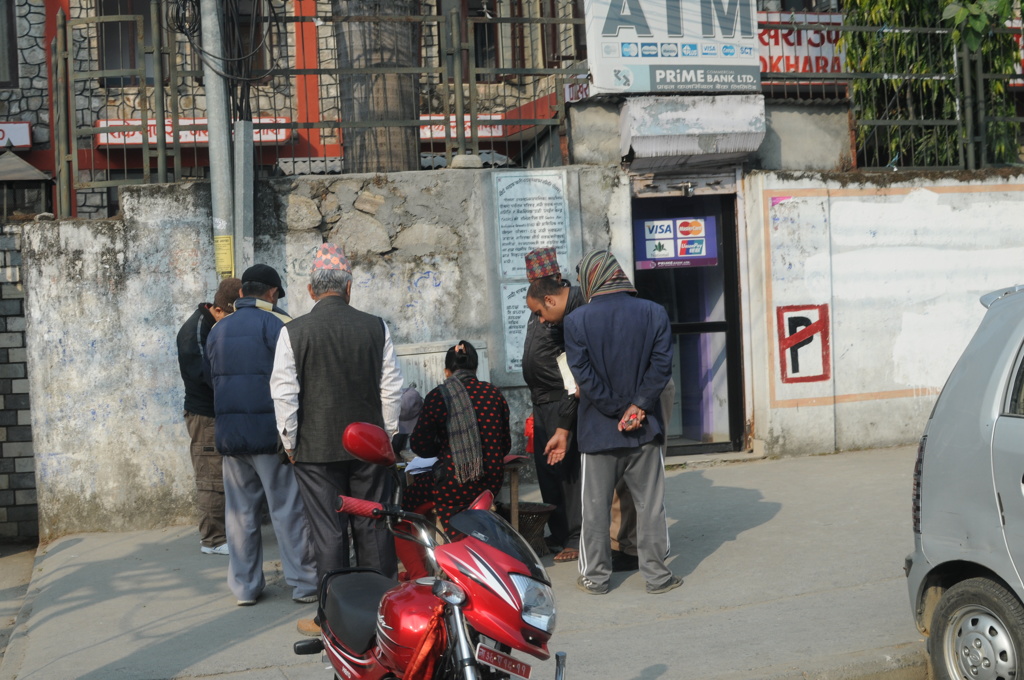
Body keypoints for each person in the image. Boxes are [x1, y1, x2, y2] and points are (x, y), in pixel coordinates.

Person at [270, 243, 403, 637]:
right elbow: (391, 389)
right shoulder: (375, 326)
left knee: (327, 531)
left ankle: (332, 617)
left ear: (312, 291)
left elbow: (284, 393)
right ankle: (385, 613)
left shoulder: (292, 332)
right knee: (373, 526)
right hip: (369, 448)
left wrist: (289, 442)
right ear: (349, 288)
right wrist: (388, 440)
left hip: (314, 449)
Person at [563, 249, 681, 595]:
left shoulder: (576, 321)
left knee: (595, 509)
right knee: (650, 506)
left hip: (599, 433)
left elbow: (582, 374)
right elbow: (662, 365)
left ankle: (596, 578)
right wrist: (638, 407)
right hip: (645, 430)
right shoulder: (654, 312)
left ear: (590, 280)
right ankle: (658, 576)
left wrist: (616, 409)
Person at [206, 264, 318, 607]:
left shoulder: (218, 330)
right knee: (287, 510)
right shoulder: (281, 324)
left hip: (231, 437)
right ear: (272, 293)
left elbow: (214, 380)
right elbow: (294, 384)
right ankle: (303, 584)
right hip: (271, 436)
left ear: (242, 293)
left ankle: (244, 588)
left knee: (239, 515)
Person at [402, 340, 510, 539]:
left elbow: (420, 446)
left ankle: (420, 567)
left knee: (404, 504)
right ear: (475, 368)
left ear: (446, 372)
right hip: (491, 484)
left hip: (454, 485)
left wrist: (443, 449)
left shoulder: (438, 396)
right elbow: (504, 445)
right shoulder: (494, 394)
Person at [521, 247, 584, 563]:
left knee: (568, 469)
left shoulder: (568, 308)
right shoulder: (539, 307)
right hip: (541, 402)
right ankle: (558, 532)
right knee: (547, 470)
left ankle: (575, 534)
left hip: (562, 399)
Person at [176, 277, 241, 556]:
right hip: (205, 417)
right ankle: (213, 540)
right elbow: (209, 376)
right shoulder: (196, 332)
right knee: (211, 478)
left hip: (217, 413)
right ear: (219, 310)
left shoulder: (210, 325)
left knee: (223, 476)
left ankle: (225, 532)